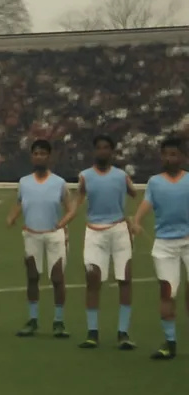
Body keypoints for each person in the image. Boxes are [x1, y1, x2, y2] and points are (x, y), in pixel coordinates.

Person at [72, 135, 138, 349]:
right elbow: (77, 201)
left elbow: (134, 193)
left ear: (112, 151)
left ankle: (123, 333)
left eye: (106, 148)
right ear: (94, 151)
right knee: (93, 280)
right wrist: (63, 221)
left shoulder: (121, 176)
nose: (102, 152)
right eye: (99, 148)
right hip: (94, 232)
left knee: (125, 280)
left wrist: (130, 218)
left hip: (119, 231)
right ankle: (92, 332)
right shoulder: (85, 176)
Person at [6, 139, 74, 338]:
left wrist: (62, 223)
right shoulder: (24, 182)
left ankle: (59, 322)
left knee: (57, 278)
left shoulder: (59, 183)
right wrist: (12, 216)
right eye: (36, 153)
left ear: (49, 157)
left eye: (43, 153)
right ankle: (33, 320)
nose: (39, 157)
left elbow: (71, 208)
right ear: (31, 156)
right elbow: (20, 202)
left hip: (54, 236)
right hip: (31, 235)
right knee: (32, 277)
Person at [131, 136, 189, 360]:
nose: (169, 158)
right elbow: (147, 202)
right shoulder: (155, 182)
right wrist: (136, 220)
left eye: (173, 154)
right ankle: (170, 342)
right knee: (167, 292)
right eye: (165, 154)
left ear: (182, 157)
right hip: (164, 245)